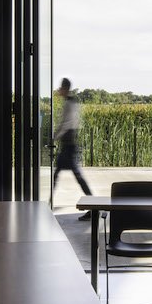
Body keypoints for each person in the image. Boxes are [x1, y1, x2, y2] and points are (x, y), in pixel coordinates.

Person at [53, 78, 92, 217]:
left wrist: (55, 136)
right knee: (60, 174)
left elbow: (65, 124)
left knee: (75, 176)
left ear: (65, 89)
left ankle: (94, 207)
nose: (59, 90)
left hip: (68, 146)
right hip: (69, 145)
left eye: (61, 88)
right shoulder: (72, 102)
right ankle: (93, 206)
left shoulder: (69, 104)